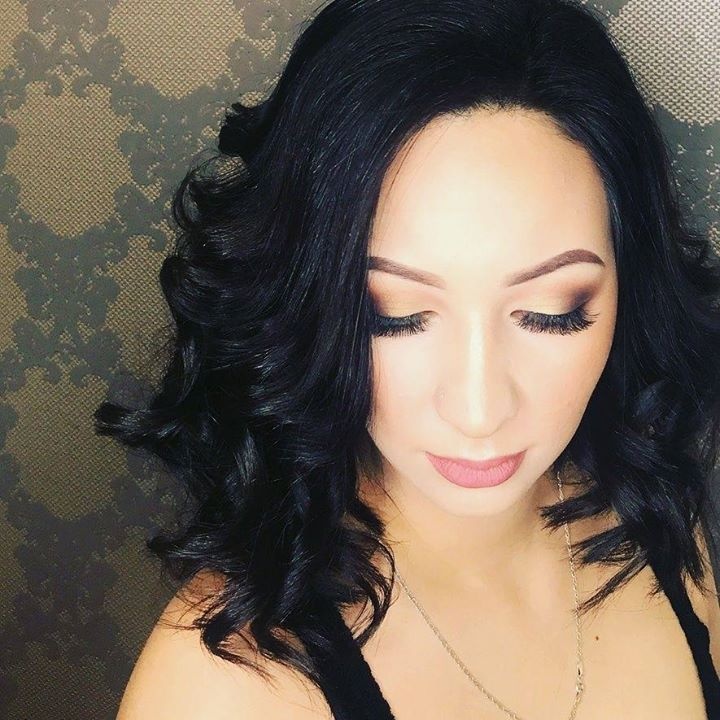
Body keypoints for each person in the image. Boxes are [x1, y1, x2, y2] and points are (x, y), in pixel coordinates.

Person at [96, 0, 720, 717]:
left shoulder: (653, 521)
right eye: (393, 316)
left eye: (552, 312)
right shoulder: (225, 686)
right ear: (312, 306)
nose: (479, 410)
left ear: (629, 290)